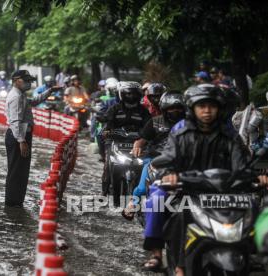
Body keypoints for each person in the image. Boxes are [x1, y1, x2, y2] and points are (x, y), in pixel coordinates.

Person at [150, 83, 268, 276]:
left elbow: (242, 164)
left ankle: (253, 257)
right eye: (201, 106)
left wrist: (258, 177)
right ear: (192, 109)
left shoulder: (230, 136)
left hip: (226, 192)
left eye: (211, 106)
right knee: (161, 204)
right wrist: (169, 174)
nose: (207, 111)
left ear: (219, 109)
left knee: (256, 210)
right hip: (187, 189)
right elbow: (169, 158)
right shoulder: (180, 133)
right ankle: (169, 261)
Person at [124, 91, 186, 272]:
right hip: (159, 163)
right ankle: (134, 204)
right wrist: (137, 147)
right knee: (150, 193)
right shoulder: (158, 123)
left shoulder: (195, 127)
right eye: (171, 108)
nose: (175, 111)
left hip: (195, 171)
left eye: (178, 108)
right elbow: (142, 141)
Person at [4, 70, 61, 207]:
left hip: (22, 135)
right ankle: (12, 202)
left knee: (21, 170)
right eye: (26, 81)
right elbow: (15, 121)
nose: (29, 83)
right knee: (16, 170)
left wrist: (49, 91)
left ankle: (17, 200)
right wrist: (21, 141)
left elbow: (34, 101)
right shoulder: (15, 97)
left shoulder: (21, 95)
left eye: (30, 81)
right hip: (18, 136)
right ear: (17, 80)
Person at [98, 81, 151, 197]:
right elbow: (107, 119)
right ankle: (104, 191)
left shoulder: (143, 111)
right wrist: (107, 130)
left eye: (134, 94)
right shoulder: (115, 108)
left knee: (145, 166)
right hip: (115, 141)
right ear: (122, 94)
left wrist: (145, 136)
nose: (131, 96)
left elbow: (149, 126)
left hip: (137, 143)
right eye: (128, 94)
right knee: (107, 165)